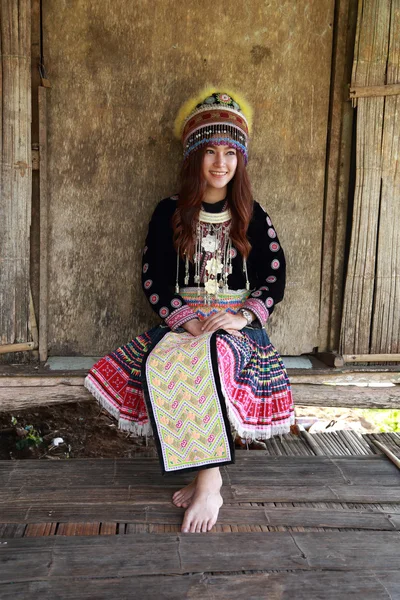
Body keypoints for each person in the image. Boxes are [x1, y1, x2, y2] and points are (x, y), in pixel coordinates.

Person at [84, 88, 294, 533]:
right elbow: (153, 279)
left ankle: (209, 480)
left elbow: (275, 279)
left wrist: (242, 317)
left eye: (230, 152)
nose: (221, 163)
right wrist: (186, 318)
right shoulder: (169, 214)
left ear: (241, 158)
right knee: (170, 361)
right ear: (194, 156)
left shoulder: (253, 215)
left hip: (237, 334)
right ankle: (204, 473)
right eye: (211, 151)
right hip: (184, 324)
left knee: (214, 357)